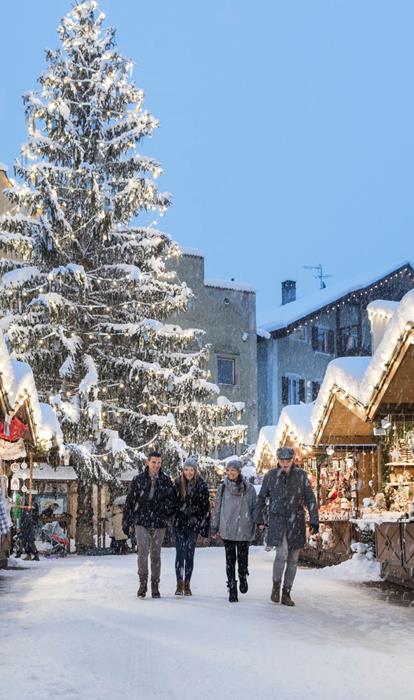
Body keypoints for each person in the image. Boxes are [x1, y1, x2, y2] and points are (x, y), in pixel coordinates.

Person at [255, 446, 319, 607]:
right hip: (277, 521)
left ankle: (287, 592)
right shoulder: (271, 476)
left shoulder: (301, 476)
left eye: (287, 460)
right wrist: (260, 518)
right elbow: (261, 498)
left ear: (293, 460)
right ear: (278, 460)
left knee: (293, 559)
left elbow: (310, 499)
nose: (284, 463)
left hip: (296, 521)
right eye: (282, 460)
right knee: (282, 554)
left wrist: (314, 520)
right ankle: (276, 585)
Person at [123, 451, 176, 599]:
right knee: (142, 552)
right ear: (148, 462)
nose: (157, 465)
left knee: (155, 554)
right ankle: (143, 582)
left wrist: (165, 512)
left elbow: (172, 501)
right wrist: (127, 521)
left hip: (159, 522)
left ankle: (155, 584)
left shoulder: (165, 480)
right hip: (142, 521)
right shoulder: (139, 479)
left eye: (159, 462)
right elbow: (130, 502)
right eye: (154, 462)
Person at [211, 458, 257, 603]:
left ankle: (242, 576)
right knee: (230, 560)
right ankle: (232, 586)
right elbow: (217, 508)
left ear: (239, 471)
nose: (230, 473)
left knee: (242, 559)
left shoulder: (249, 488)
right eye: (228, 470)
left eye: (233, 470)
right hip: (228, 527)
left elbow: (254, 507)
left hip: (243, 527)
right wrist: (214, 525)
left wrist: (256, 522)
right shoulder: (222, 488)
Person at [173, 456, 210, 596]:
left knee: (189, 554)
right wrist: (178, 516)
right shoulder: (177, 484)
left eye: (191, 470)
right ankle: (179, 582)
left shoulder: (201, 486)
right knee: (180, 553)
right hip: (179, 525)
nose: (188, 473)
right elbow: (172, 505)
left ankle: (187, 583)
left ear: (195, 471)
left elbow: (205, 507)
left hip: (193, 525)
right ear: (183, 470)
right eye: (186, 470)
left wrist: (196, 517)